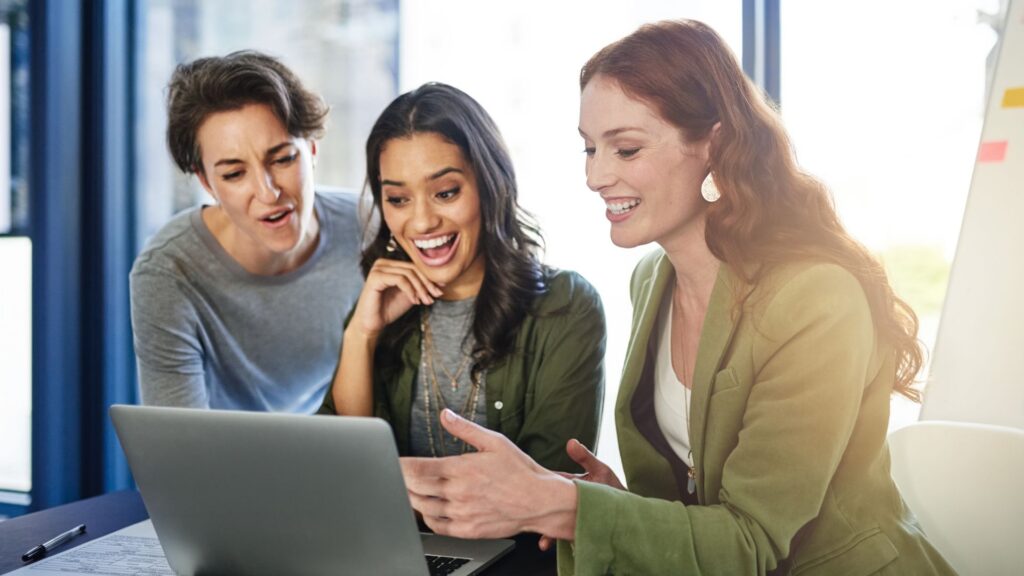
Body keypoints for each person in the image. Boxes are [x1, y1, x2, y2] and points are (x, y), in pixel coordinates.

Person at [398, 21, 957, 575]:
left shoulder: (815, 300)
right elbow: (696, 508)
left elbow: (752, 541)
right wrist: (604, 501)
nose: (596, 175)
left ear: (713, 144)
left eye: (626, 148)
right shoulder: (652, 279)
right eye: (590, 149)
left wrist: (563, 507)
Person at [318, 83, 605, 473]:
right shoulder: (380, 305)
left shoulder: (566, 306)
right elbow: (344, 473)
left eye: (446, 192)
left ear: (490, 184)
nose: (421, 221)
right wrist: (360, 337)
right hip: (394, 536)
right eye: (398, 199)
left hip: (510, 538)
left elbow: (553, 487)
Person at [130, 51, 363, 412]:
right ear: (207, 183)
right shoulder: (169, 271)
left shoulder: (369, 227)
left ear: (312, 150)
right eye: (234, 174)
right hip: (221, 464)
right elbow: (180, 448)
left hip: (336, 452)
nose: (268, 193)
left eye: (283, 158)